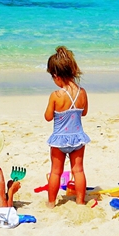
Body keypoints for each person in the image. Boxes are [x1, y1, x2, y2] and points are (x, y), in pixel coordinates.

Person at [43, 46, 90, 204]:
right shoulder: (82, 92)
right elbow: (84, 113)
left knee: (56, 172)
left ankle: (51, 203)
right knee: (78, 170)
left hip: (59, 140)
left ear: (56, 76)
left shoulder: (56, 95)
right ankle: (80, 201)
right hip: (77, 138)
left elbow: (48, 117)